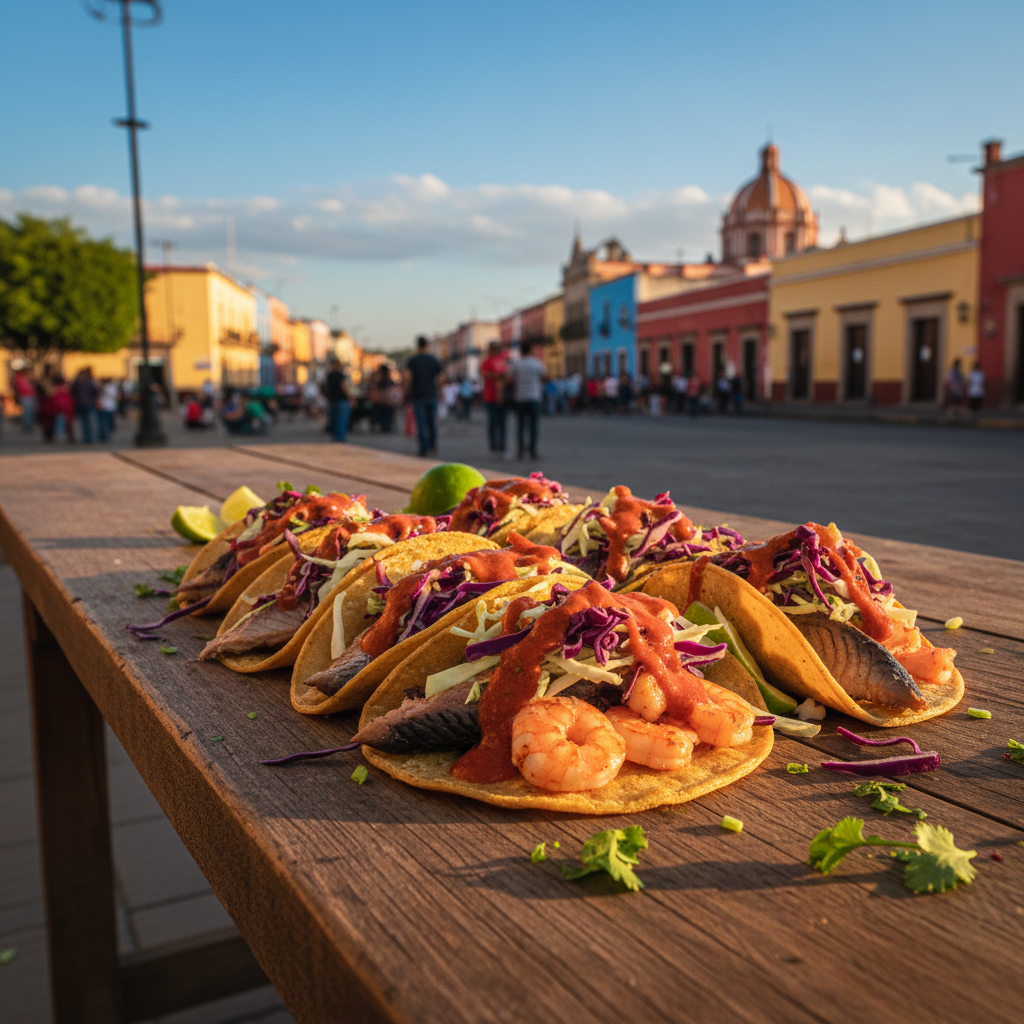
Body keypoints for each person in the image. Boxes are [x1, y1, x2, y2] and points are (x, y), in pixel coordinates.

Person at [405, 336, 443, 457]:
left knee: (420, 422)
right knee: (431, 421)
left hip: (418, 395)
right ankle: (433, 444)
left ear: (417, 345)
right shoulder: (433, 360)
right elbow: (441, 378)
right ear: (427, 345)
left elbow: (407, 378)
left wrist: (406, 392)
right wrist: (440, 390)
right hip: (431, 394)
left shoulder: (413, 360)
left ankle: (423, 447)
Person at [510, 339, 545, 459]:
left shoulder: (517, 364)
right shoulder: (537, 363)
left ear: (521, 351)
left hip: (520, 398)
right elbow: (544, 376)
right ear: (531, 350)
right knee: (533, 426)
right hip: (534, 397)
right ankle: (533, 450)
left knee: (520, 426)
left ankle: (520, 449)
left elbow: (509, 379)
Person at [480, 340, 509, 455]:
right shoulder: (487, 361)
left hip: (502, 397)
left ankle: (502, 445)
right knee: (493, 423)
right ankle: (493, 445)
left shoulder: (504, 361)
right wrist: (498, 376)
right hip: (490, 397)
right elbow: (483, 374)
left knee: (503, 423)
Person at [322, 356, 351, 442]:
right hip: (342, 400)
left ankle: (335, 438)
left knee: (334, 420)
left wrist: (326, 395)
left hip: (332, 400)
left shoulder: (329, 376)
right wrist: (350, 397)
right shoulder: (340, 375)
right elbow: (344, 387)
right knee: (341, 420)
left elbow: (322, 386)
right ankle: (340, 438)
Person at [71, 367, 99, 443]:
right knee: (91, 423)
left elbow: (72, 392)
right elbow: (96, 392)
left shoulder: (76, 383)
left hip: (80, 404)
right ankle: (90, 438)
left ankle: (86, 438)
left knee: (84, 423)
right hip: (89, 404)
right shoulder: (90, 382)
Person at [12, 366, 36, 433]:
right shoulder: (20, 378)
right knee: (27, 412)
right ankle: (27, 426)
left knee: (30, 412)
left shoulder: (29, 378)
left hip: (30, 396)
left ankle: (29, 426)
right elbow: (17, 387)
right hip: (24, 396)